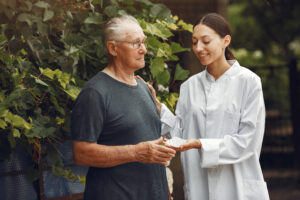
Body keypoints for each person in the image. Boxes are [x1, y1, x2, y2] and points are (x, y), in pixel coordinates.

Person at [146, 13, 270, 200]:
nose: (198, 48)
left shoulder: (249, 82)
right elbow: (179, 134)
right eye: (195, 42)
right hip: (199, 184)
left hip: (237, 186)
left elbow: (248, 142)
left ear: (225, 41)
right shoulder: (189, 86)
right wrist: (158, 108)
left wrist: (200, 144)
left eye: (206, 41)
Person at [71, 14, 176, 200]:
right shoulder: (95, 93)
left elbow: (153, 152)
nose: (143, 49)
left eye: (143, 42)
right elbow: (82, 153)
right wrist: (136, 152)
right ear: (113, 48)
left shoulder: (144, 87)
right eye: (136, 43)